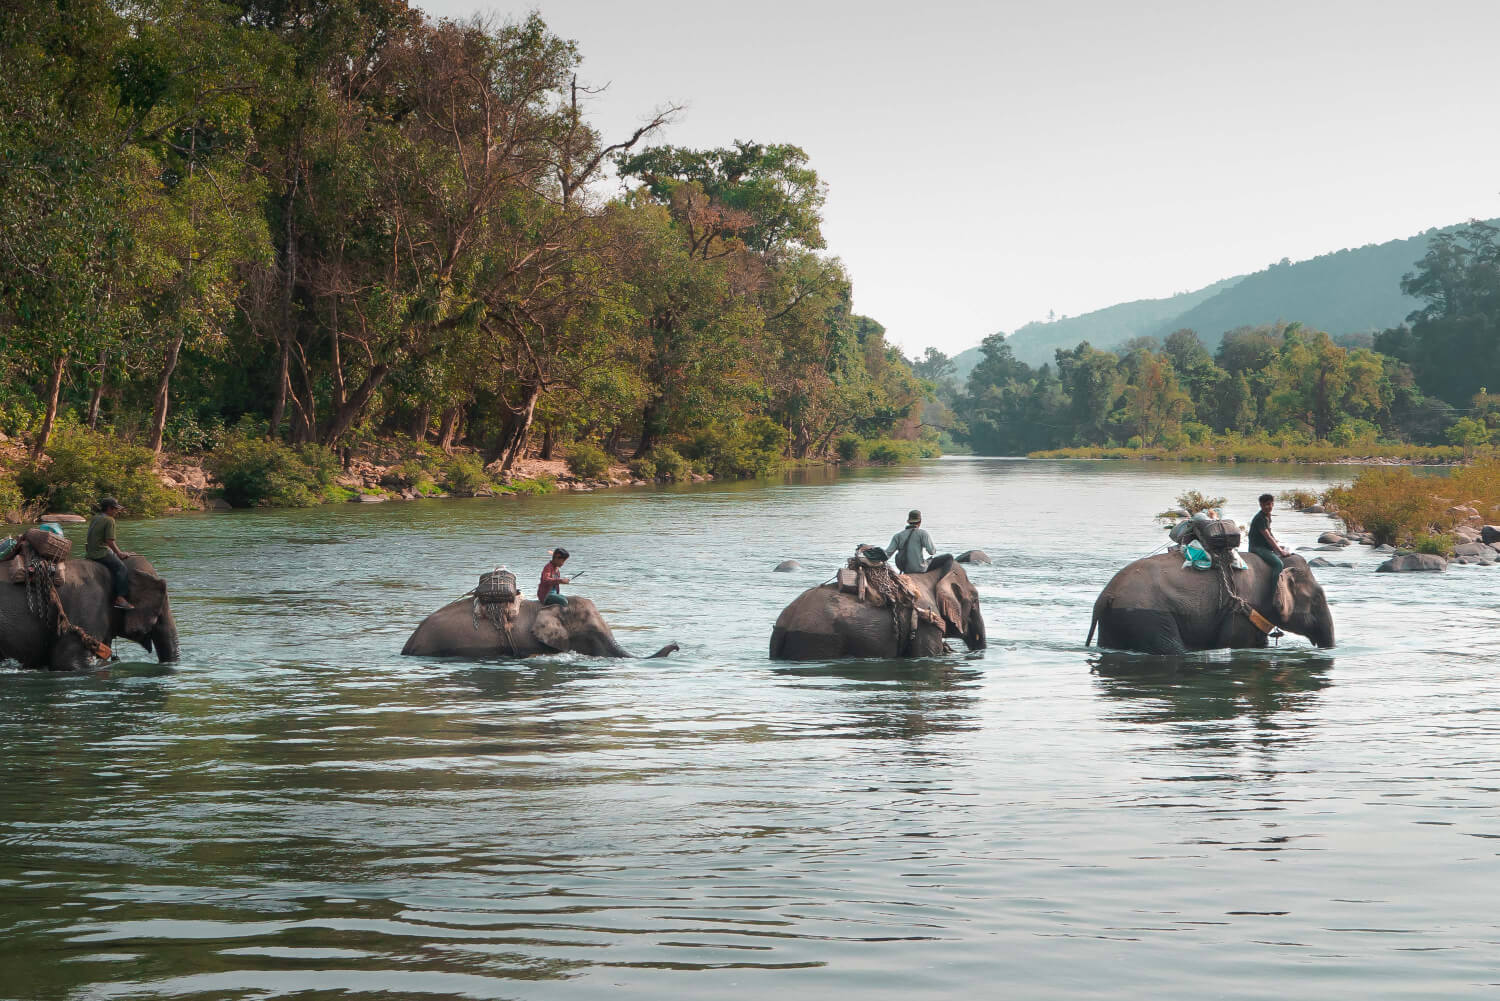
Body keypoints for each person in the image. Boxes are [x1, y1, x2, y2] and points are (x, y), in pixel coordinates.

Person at [86, 497, 134, 610]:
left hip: (90, 552)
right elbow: (109, 541)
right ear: (109, 508)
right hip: (100, 552)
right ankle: (121, 598)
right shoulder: (109, 520)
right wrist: (119, 553)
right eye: (115, 509)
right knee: (121, 568)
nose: (116, 512)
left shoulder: (95, 518)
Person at [1248, 492, 1290, 575]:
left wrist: (1276, 545)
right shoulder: (1260, 518)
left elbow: (1270, 533)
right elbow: (1268, 537)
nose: (1266, 507)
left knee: (1285, 548)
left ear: (1272, 504)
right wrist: (1281, 551)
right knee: (1278, 564)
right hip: (1257, 547)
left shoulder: (1267, 516)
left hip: (1264, 546)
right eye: (1264, 505)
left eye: (1268, 504)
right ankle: (1273, 588)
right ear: (1260, 505)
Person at [888, 510, 936, 574]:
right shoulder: (923, 534)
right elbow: (932, 552)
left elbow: (887, 554)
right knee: (947, 557)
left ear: (908, 522)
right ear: (920, 522)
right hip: (920, 569)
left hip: (905, 569)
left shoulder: (898, 536)